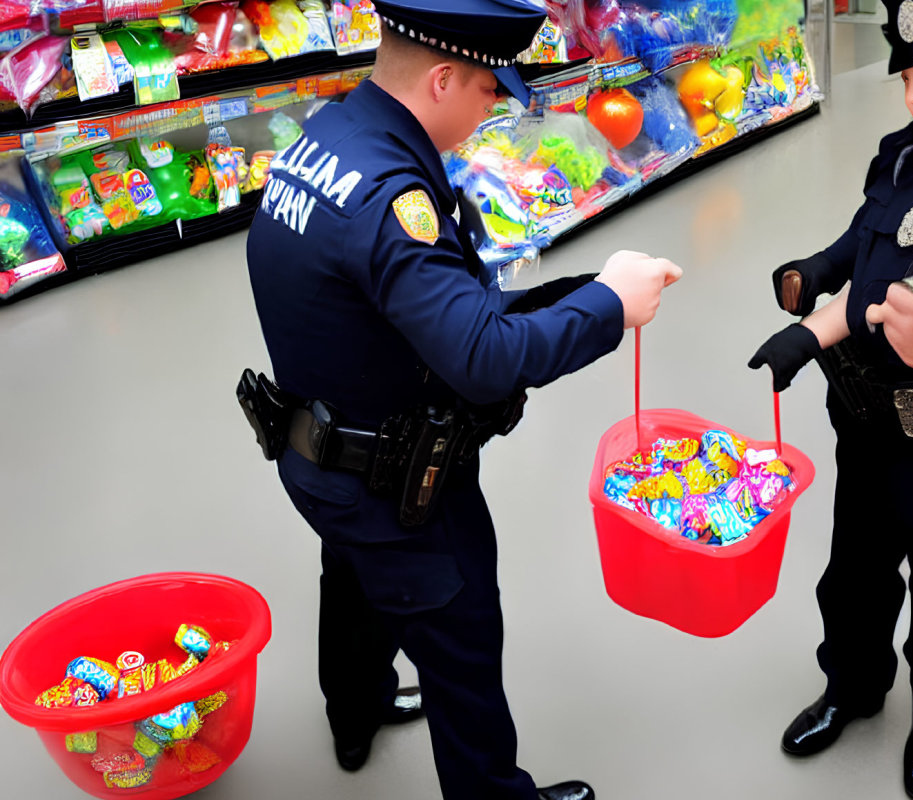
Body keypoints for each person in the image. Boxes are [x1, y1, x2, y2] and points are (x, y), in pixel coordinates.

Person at [244, 1, 683, 798]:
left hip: (317, 451)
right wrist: (613, 306)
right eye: (489, 90)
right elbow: (482, 358)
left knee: (348, 582)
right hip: (398, 488)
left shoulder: (328, 136)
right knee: (463, 642)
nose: (494, 109)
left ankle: (356, 710)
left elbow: (404, 308)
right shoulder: (391, 198)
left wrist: (580, 294)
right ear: (442, 78)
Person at [748, 1, 913, 796]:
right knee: (852, 575)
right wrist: (820, 269)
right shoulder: (905, 151)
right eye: (906, 78)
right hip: (867, 418)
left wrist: (818, 331)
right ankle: (852, 690)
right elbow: (869, 234)